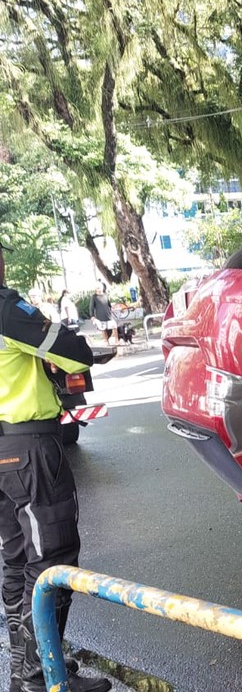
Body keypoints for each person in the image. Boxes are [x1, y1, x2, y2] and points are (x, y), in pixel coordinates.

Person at [0, 239, 111, 692]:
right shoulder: (7, 308)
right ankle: (37, 675)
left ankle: (29, 667)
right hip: (27, 448)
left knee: (16, 560)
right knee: (52, 559)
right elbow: (74, 351)